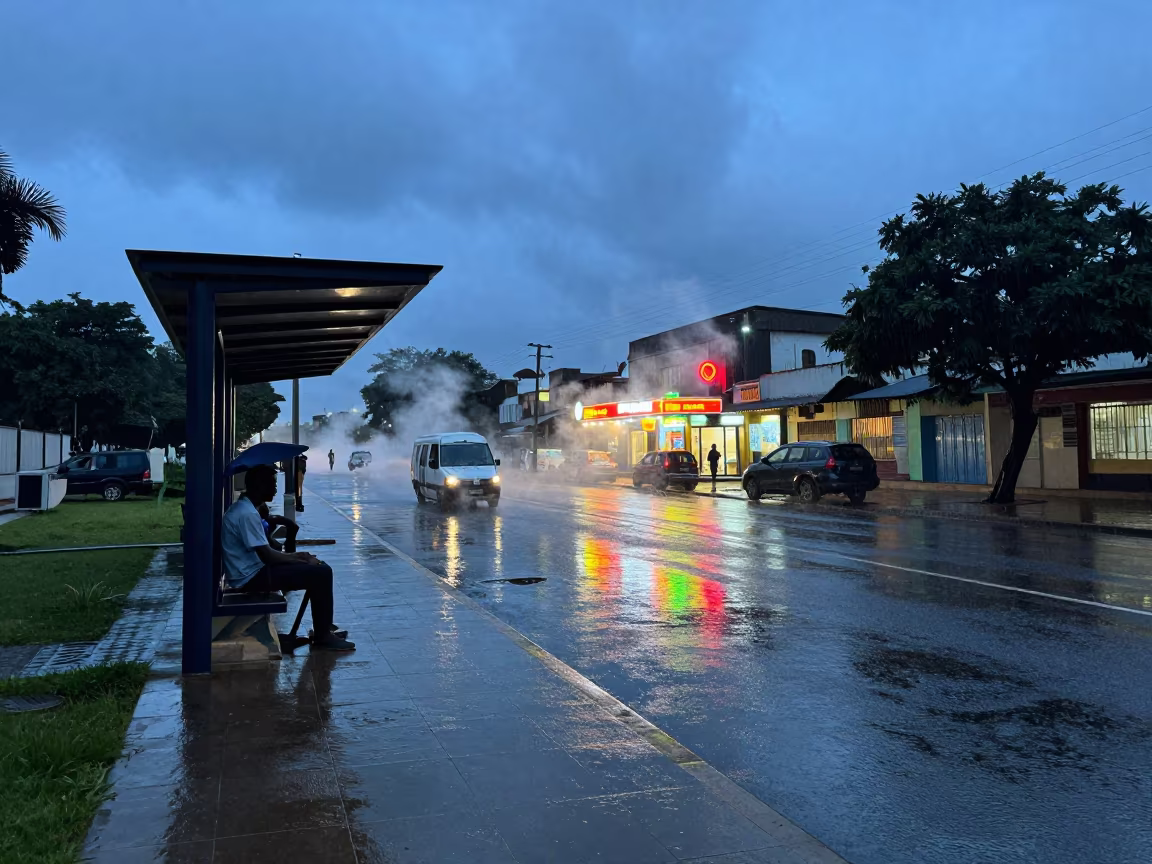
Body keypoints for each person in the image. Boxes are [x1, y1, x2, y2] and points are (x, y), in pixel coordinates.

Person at [222, 464, 354, 651]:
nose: (275, 488)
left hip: (252, 571)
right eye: (272, 484)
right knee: (321, 573)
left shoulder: (248, 509)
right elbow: (268, 556)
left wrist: (300, 557)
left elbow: (269, 550)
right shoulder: (247, 514)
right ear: (259, 485)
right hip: (251, 578)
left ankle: (323, 628)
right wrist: (300, 557)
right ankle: (323, 637)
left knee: (318, 569)